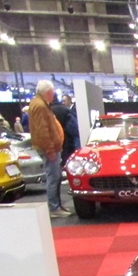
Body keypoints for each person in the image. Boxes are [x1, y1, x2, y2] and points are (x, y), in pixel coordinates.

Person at [28, 79, 71, 218]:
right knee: (53, 177)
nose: (54, 95)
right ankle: (54, 207)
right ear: (48, 92)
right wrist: (50, 150)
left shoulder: (39, 104)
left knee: (55, 176)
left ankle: (56, 205)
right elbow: (43, 131)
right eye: (52, 92)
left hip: (50, 147)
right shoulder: (40, 106)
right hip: (49, 148)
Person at [50, 98, 80, 166]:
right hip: (67, 139)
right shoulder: (66, 109)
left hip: (55, 140)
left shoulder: (49, 111)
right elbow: (74, 129)